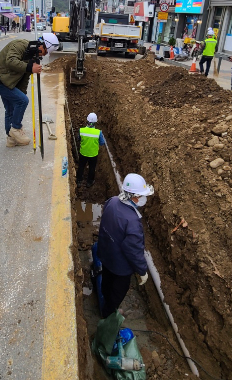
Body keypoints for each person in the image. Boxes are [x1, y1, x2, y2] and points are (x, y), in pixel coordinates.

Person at [0, 33, 60, 147]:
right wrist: (30, 67)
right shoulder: (20, 45)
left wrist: (21, 92)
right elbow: (10, 61)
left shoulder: (32, 56)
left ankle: (11, 139)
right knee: (23, 101)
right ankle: (16, 129)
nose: (44, 54)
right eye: (45, 52)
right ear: (42, 45)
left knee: (11, 108)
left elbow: (24, 79)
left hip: (7, 82)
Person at [97, 173, 153, 318]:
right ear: (134, 196)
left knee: (106, 281)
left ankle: (104, 300)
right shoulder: (132, 222)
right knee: (117, 292)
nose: (143, 199)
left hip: (105, 254)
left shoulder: (113, 201)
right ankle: (108, 315)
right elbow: (133, 250)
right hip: (120, 266)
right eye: (141, 196)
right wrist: (142, 271)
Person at [77, 112, 106, 188]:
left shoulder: (81, 130)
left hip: (83, 153)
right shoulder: (98, 132)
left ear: (87, 121)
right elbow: (102, 143)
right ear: (95, 122)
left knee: (81, 166)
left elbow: (78, 139)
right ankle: (89, 182)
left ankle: (79, 181)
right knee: (92, 168)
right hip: (93, 154)